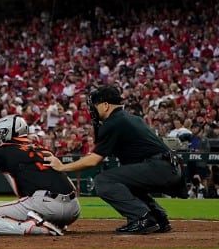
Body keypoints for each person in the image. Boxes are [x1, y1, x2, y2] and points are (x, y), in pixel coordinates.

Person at [46, 85, 183, 234]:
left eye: (95, 106)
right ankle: (158, 218)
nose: (92, 111)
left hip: (159, 167)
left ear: (105, 106)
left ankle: (142, 217)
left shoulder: (114, 122)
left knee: (103, 181)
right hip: (169, 167)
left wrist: (62, 167)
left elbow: (94, 160)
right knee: (125, 182)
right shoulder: (130, 118)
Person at [0, 115, 79, 236]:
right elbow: (71, 184)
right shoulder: (44, 150)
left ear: (9, 132)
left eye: (0, 133)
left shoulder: (6, 151)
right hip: (73, 209)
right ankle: (52, 223)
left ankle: (36, 228)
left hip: (45, 205)